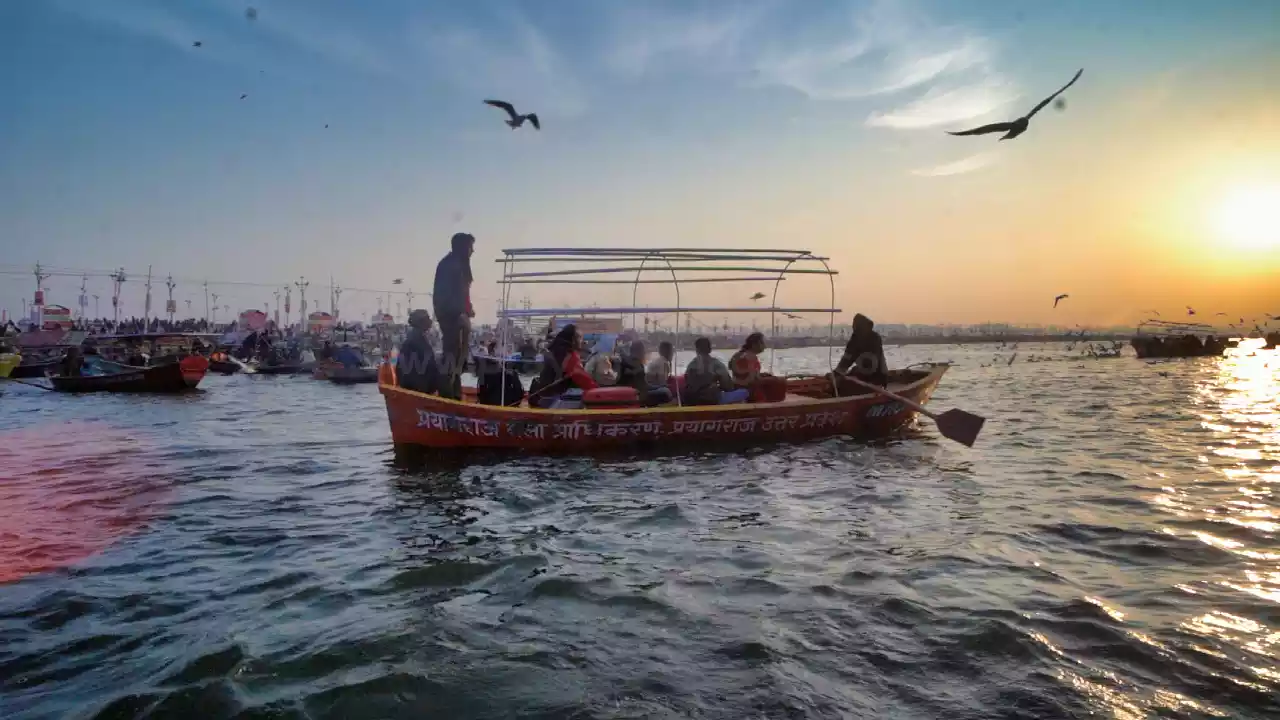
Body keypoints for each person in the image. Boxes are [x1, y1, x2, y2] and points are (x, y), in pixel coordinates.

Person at [433, 232, 476, 399]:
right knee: (451, 358)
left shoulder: (459, 265)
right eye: (471, 247)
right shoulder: (449, 265)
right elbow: (442, 297)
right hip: (453, 319)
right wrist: (458, 314)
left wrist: (468, 309)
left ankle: (454, 394)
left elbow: (462, 294)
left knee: (459, 360)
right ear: (463, 248)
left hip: (460, 317)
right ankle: (447, 397)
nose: (473, 251)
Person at [529, 324, 597, 405]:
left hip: (542, 396)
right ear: (573, 339)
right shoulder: (569, 355)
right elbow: (581, 378)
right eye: (579, 337)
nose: (582, 341)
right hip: (554, 401)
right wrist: (597, 390)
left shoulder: (553, 349)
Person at [684, 337, 748, 405]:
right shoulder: (716, 364)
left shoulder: (691, 365)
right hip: (712, 400)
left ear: (696, 349)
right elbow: (728, 386)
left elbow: (688, 383)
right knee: (744, 392)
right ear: (710, 349)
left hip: (692, 400)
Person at [833, 313, 888, 390]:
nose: (854, 328)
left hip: (877, 377)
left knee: (845, 386)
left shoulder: (875, 338)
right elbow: (846, 359)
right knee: (837, 383)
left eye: (856, 327)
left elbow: (872, 364)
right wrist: (836, 373)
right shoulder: (854, 339)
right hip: (862, 375)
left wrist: (855, 372)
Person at [616, 340, 673, 407]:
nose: (645, 353)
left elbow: (644, 385)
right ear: (639, 351)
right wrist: (661, 387)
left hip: (639, 392)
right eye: (644, 351)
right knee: (665, 392)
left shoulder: (634, 363)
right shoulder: (634, 364)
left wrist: (660, 387)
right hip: (639, 396)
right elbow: (642, 387)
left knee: (664, 389)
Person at [397, 309, 440, 395]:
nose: (430, 321)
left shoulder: (412, 338)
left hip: (410, 385)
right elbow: (430, 366)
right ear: (421, 322)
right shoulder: (418, 340)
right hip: (417, 387)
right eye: (427, 318)